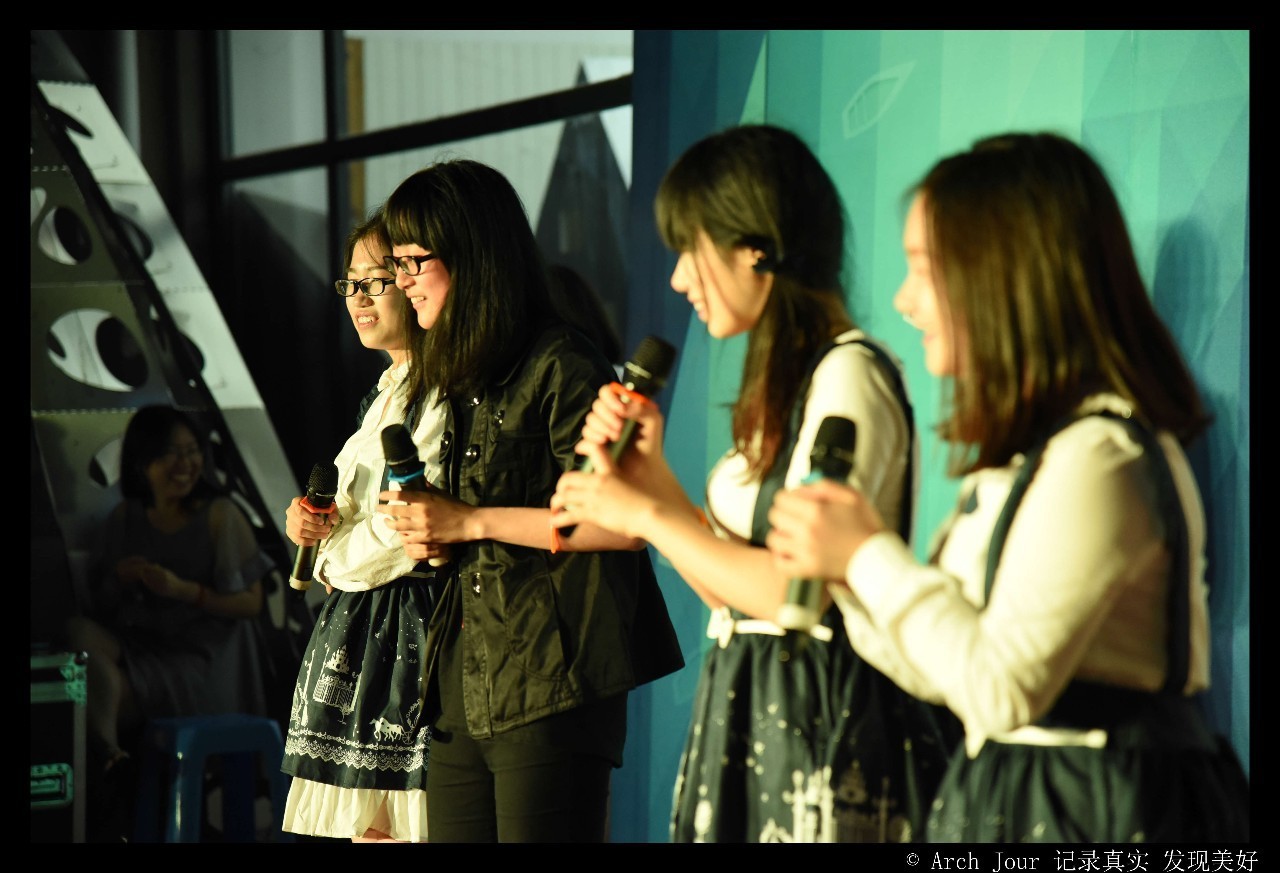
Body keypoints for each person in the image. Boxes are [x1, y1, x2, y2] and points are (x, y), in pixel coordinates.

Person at [765, 131, 1251, 842]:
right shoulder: (1030, 459)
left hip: (1101, 809)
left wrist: (867, 552)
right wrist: (846, 576)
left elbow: (1000, 688)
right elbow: (951, 672)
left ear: (1005, 273)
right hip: (1016, 795)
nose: (904, 300)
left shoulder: (1102, 458)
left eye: (923, 268)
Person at [550, 124, 956, 843]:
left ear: (755, 248)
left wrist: (644, 513)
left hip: (824, 723)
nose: (679, 278)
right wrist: (653, 483)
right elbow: (733, 592)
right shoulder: (792, 379)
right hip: (757, 706)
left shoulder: (849, 373)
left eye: (690, 248)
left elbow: (794, 594)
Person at [373, 159, 684, 843]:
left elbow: (617, 522)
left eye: (413, 261)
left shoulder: (562, 362)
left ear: (473, 257)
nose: (402, 281)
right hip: (463, 681)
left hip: (551, 682)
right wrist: (437, 534)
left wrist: (469, 520)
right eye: (395, 264)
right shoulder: (461, 373)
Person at [277, 207, 445, 843]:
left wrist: (332, 556)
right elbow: (353, 513)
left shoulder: (441, 390)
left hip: (404, 629)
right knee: (367, 829)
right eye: (351, 283)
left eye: (377, 280)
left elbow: (400, 530)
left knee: (401, 825)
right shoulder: (385, 390)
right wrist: (311, 525)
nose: (359, 298)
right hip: (361, 631)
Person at [65, 403, 273, 840]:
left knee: (93, 696)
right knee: (79, 639)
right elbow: (101, 607)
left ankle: (107, 764)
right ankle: (111, 758)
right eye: (170, 454)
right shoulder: (126, 518)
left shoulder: (219, 515)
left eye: (192, 451)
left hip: (203, 663)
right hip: (145, 649)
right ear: (142, 463)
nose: (185, 464)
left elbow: (251, 603)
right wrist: (120, 579)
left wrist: (184, 591)